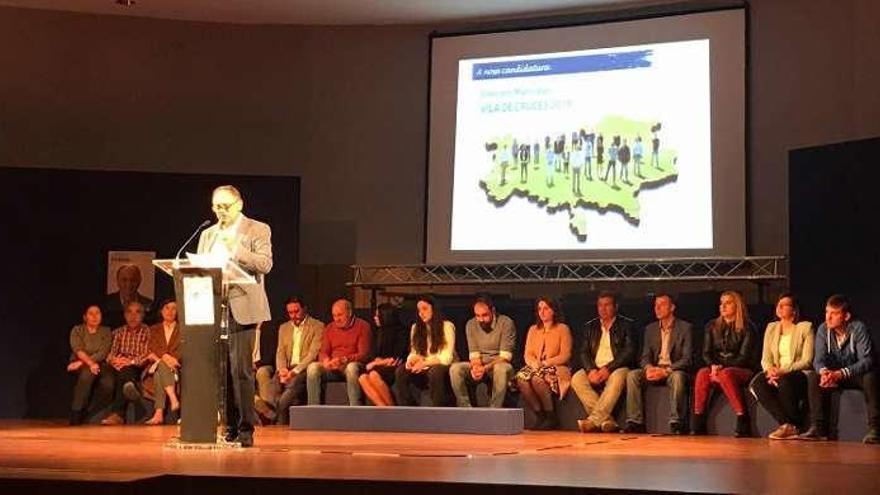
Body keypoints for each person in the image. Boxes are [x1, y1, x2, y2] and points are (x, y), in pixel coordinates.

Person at [196, 184, 273, 447]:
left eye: (225, 206)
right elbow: (200, 268)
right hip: (215, 306)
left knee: (241, 370)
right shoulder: (208, 234)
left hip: (243, 307)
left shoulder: (257, 228)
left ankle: (245, 428)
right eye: (216, 206)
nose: (220, 212)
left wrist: (235, 249)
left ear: (239, 204)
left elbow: (265, 264)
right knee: (221, 371)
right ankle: (227, 426)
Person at [799, 294, 878, 443]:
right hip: (833, 375)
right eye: (827, 312)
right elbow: (818, 359)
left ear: (846, 316)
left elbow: (867, 360)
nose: (828, 317)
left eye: (834, 314)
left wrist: (841, 373)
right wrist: (824, 372)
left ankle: (875, 428)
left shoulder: (858, 328)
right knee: (813, 376)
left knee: (870, 376)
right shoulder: (823, 329)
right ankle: (819, 429)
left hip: (854, 375)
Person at [624, 294, 692, 434]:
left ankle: (677, 423)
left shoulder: (685, 328)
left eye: (662, 304)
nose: (657, 308)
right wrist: (648, 368)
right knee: (632, 375)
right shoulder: (650, 329)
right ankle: (635, 422)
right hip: (655, 368)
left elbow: (687, 359)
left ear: (672, 307)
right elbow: (645, 356)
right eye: (656, 305)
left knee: (678, 378)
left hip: (673, 369)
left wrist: (666, 370)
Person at [748, 293, 814, 440]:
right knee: (757, 383)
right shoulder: (771, 328)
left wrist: (782, 371)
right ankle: (787, 424)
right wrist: (770, 371)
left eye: (785, 305)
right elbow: (766, 358)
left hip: (797, 373)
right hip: (776, 372)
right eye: (779, 304)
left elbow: (807, 361)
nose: (780, 307)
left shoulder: (805, 328)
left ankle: (792, 425)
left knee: (785, 381)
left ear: (794, 310)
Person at [692, 291, 757, 437]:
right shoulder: (711, 326)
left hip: (742, 369)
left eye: (727, 303)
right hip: (718, 369)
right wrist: (713, 366)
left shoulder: (748, 328)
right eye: (721, 303)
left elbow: (744, 357)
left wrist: (721, 369)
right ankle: (699, 421)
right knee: (702, 373)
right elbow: (706, 353)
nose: (723, 306)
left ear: (737, 305)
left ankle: (742, 417)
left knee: (726, 374)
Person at [572, 291, 636, 433]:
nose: (603, 308)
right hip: (595, 367)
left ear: (615, 307)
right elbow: (583, 352)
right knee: (577, 379)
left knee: (618, 377)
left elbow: (629, 351)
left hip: (617, 367)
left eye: (607, 305)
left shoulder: (626, 325)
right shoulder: (590, 326)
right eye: (600, 305)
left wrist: (609, 368)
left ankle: (593, 420)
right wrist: (590, 370)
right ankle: (607, 421)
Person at [515, 297, 572, 430]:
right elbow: (527, 353)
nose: (542, 312)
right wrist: (533, 363)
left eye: (546, 308)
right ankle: (540, 415)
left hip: (556, 367)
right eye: (540, 309)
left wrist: (546, 363)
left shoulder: (562, 329)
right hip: (536, 366)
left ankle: (551, 415)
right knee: (521, 378)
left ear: (553, 310)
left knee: (537, 379)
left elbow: (565, 355)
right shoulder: (533, 330)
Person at [450, 295, 516, 408]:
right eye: (477, 316)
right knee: (455, 369)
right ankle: (465, 408)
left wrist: (484, 368)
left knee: (501, 368)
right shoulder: (471, 324)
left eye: (485, 315)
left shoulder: (506, 323)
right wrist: (476, 367)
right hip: (481, 365)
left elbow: (505, 357)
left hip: (499, 364)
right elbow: (474, 354)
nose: (481, 319)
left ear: (493, 311)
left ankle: (494, 411)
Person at [306, 299, 371, 406]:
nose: (337, 319)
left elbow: (364, 354)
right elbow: (323, 351)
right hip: (333, 366)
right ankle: (313, 410)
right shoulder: (330, 328)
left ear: (349, 313)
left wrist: (344, 360)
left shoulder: (363, 326)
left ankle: (355, 410)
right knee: (313, 368)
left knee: (351, 368)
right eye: (334, 315)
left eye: (340, 315)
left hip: (350, 365)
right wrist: (326, 360)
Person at [394, 295, 456, 407]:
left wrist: (424, 363)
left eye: (425, 309)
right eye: (419, 310)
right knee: (401, 371)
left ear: (434, 309)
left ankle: (438, 410)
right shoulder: (415, 327)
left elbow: (446, 358)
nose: (421, 313)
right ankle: (409, 409)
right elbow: (414, 351)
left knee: (435, 372)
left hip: (440, 364)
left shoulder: (447, 326)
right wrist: (411, 360)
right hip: (423, 364)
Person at [100, 301, 152, 425]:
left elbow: (148, 353)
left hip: (137, 365)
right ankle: (132, 388)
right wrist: (115, 360)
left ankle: (118, 414)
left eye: (137, 312)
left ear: (143, 315)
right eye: (129, 312)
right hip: (118, 365)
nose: (133, 316)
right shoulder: (118, 332)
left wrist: (131, 361)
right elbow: (110, 352)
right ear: (124, 315)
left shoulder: (148, 332)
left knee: (126, 372)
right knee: (120, 375)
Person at [276, 296, 324, 425]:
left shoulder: (317, 326)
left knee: (286, 396)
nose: (293, 315)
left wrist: (294, 372)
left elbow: (313, 354)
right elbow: (280, 352)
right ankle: (273, 412)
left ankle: (278, 424)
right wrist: (282, 370)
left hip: (302, 369)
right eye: (290, 312)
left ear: (305, 309)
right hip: (286, 368)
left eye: (296, 311)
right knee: (265, 379)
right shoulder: (284, 328)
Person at [67, 304, 113, 425]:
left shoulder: (106, 331)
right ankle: (76, 412)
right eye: (91, 314)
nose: (94, 316)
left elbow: (103, 352)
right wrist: (88, 363)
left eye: (97, 313)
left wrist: (83, 362)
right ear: (85, 317)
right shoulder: (77, 330)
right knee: (87, 374)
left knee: (109, 383)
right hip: (81, 363)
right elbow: (78, 349)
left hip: (98, 363)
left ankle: (94, 413)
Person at [359, 303, 409, 406]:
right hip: (382, 365)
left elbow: (396, 358)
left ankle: (391, 409)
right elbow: (374, 354)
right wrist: (377, 361)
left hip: (394, 366)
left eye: (378, 315)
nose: (375, 318)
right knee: (362, 378)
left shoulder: (401, 331)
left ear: (385, 316)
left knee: (373, 375)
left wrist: (378, 362)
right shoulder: (379, 332)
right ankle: (383, 408)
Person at [144, 299, 181, 425]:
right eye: (167, 308)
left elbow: (185, 349)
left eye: (173, 308)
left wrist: (173, 359)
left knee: (159, 372)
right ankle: (172, 397)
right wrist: (164, 357)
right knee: (160, 367)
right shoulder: (153, 329)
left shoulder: (183, 330)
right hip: (156, 364)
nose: (170, 311)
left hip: (176, 367)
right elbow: (150, 349)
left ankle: (158, 413)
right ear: (161, 311)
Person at [252, 319, 280, 424]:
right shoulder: (242, 331)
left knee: (262, 372)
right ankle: (265, 410)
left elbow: (272, 354)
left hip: (264, 364)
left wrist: (256, 365)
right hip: (247, 367)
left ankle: (266, 409)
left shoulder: (270, 327)